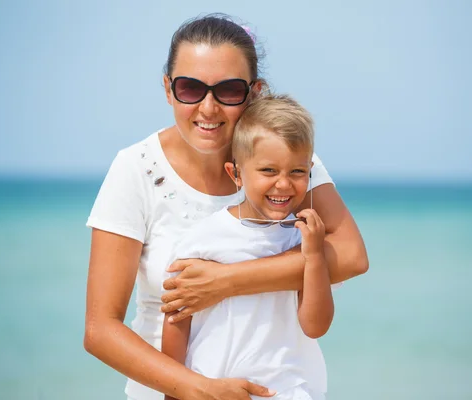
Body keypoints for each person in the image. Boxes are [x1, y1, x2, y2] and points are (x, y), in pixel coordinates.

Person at [84, 13, 368, 400]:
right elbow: (101, 328)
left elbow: (351, 256)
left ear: (254, 92)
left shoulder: (287, 166)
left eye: (229, 90)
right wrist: (197, 389)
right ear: (168, 89)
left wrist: (224, 282)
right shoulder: (137, 169)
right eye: (190, 88)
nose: (208, 107)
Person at [162, 94, 335, 400]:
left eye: (297, 172)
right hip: (214, 388)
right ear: (237, 174)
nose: (283, 184)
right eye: (269, 171)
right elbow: (176, 319)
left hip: (290, 391)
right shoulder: (204, 238)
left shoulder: (302, 239)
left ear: (310, 171)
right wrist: (176, 392)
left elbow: (315, 326)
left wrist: (315, 257)